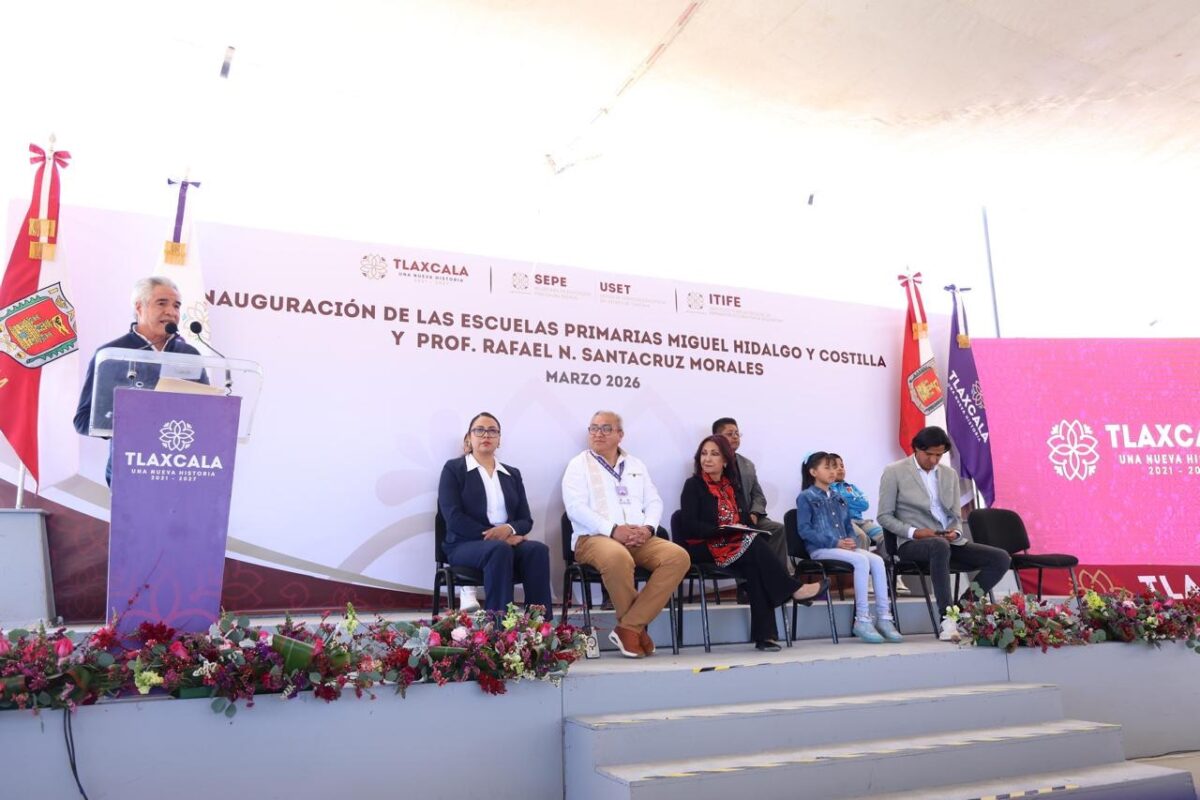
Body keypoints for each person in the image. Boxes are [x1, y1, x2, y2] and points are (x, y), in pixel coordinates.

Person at [678, 436, 827, 651]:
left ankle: (765, 637)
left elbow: (744, 519)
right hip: (702, 547)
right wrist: (722, 531)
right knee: (754, 548)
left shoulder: (732, 486)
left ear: (725, 461)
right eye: (704, 453)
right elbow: (689, 526)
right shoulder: (694, 485)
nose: (707, 459)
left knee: (755, 566)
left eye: (714, 454)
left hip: (734, 545)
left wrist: (748, 528)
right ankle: (793, 589)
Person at [562, 411, 690, 658]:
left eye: (606, 428)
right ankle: (634, 630)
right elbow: (575, 508)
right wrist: (613, 530)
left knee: (678, 557)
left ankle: (630, 626)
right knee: (617, 557)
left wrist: (648, 528)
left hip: (636, 536)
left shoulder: (635, 465)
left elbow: (653, 501)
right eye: (593, 428)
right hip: (594, 538)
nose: (598, 433)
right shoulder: (578, 465)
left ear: (620, 435)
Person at [877, 426, 1011, 639]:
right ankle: (946, 619)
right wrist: (915, 532)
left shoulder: (949, 474)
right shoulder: (894, 471)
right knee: (938, 546)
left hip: (946, 541)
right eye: (929, 454)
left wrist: (955, 533)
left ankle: (961, 611)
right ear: (916, 449)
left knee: (1000, 558)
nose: (933, 460)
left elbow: (955, 516)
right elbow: (884, 516)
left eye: (939, 455)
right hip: (911, 543)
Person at [73, 276, 202, 486]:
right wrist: (132, 421)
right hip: (129, 470)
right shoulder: (112, 354)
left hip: (182, 469)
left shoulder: (189, 355)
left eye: (176, 305)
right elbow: (83, 420)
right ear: (139, 306)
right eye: (162, 303)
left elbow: (206, 413)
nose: (171, 311)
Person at [437, 412, 552, 613]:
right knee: (498, 550)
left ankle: (539, 622)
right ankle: (499, 624)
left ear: (499, 439)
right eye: (479, 430)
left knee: (537, 550)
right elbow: (453, 518)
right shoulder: (454, 469)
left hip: (505, 543)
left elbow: (525, 520)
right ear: (469, 437)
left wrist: (508, 529)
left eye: (492, 431)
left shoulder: (512, 474)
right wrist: (499, 537)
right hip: (464, 544)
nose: (486, 435)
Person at [796, 452, 902, 643]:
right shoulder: (806, 496)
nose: (832, 471)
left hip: (841, 549)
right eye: (827, 467)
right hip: (820, 549)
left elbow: (848, 526)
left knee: (877, 560)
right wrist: (835, 542)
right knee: (861, 560)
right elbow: (805, 530)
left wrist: (850, 540)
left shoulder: (839, 497)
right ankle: (862, 619)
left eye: (834, 467)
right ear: (813, 472)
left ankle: (884, 617)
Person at [712, 417, 793, 575]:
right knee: (744, 537)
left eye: (737, 433)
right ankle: (746, 584)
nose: (735, 437)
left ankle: (780, 577)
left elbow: (758, 495)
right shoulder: (711, 462)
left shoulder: (747, 464)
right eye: (730, 433)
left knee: (777, 529)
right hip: (727, 521)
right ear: (716, 437)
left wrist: (754, 513)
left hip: (750, 517)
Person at [828, 453, 885, 550]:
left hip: (861, 521)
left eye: (842, 466)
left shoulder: (851, 487)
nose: (840, 469)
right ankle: (864, 559)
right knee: (861, 536)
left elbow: (864, 505)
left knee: (883, 535)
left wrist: (845, 500)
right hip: (844, 522)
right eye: (835, 466)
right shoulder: (828, 488)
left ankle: (887, 559)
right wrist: (853, 499)